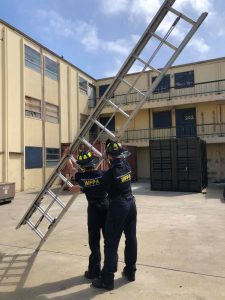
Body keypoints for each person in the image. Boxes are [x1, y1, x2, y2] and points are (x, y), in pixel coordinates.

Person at [92, 139, 137, 291]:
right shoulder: (127, 165)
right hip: (131, 204)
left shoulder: (109, 174)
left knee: (111, 243)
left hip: (118, 207)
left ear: (109, 156)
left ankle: (107, 280)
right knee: (131, 238)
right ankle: (131, 272)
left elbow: (101, 190)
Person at [65, 149, 108, 280]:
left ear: (83, 166)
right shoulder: (102, 174)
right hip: (106, 207)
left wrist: (67, 155)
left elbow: (72, 169)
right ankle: (109, 270)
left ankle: (94, 271)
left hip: (94, 209)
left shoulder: (81, 177)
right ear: (94, 163)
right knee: (109, 240)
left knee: (94, 242)